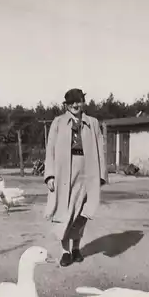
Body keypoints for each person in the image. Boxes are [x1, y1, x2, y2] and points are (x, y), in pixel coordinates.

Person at [44, 88, 107, 267]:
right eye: (71, 102)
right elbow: (50, 150)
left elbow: (100, 150)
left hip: (87, 172)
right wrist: (49, 175)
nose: (75, 105)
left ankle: (76, 249)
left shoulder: (93, 123)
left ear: (83, 102)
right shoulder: (57, 123)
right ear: (66, 104)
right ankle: (65, 251)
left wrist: (101, 174)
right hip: (64, 172)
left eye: (78, 101)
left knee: (81, 213)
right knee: (64, 212)